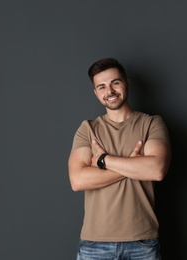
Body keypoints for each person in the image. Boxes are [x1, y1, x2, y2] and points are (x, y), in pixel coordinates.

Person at [68, 58, 171, 260]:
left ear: (127, 83)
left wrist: (102, 160)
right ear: (96, 93)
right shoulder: (87, 129)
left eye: (115, 82)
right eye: (102, 86)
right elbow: (78, 180)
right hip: (94, 244)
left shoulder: (151, 124)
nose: (110, 91)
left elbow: (156, 170)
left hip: (143, 242)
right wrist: (133, 165)